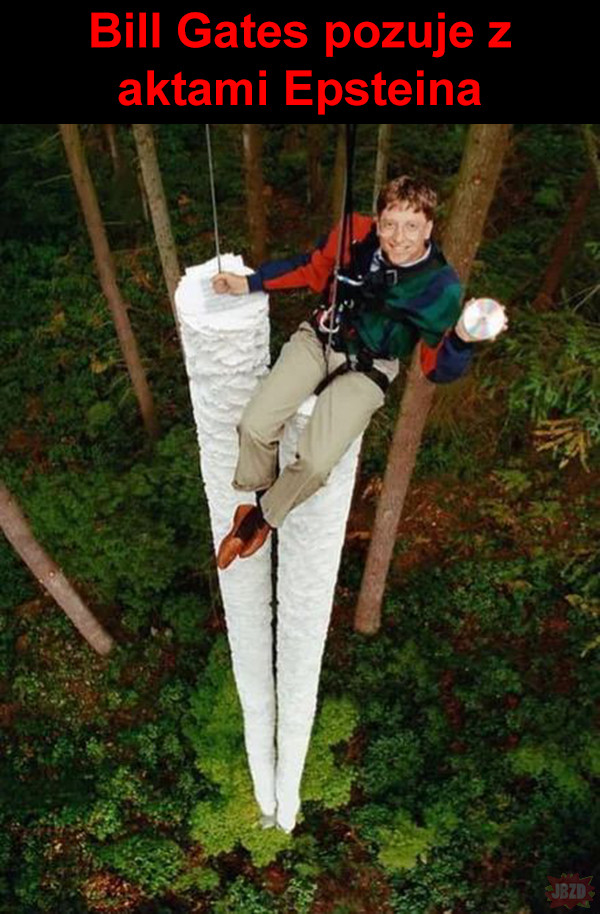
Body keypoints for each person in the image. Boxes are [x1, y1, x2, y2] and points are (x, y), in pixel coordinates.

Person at [211, 175, 506, 570]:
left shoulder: (440, 287)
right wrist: (250, 283)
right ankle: (259, 492)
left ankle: (262, 519)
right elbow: (311, 269)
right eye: (390, 224)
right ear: (378, 220)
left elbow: (435, 367)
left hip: (370, 368)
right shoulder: (354, 233)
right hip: (320, 337)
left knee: (316, 462)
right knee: (254, 425)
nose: (399, 238)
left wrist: (463, 338)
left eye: (412, 226)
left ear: (429, 228)